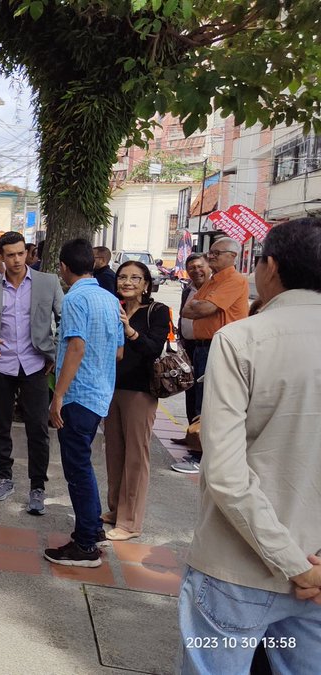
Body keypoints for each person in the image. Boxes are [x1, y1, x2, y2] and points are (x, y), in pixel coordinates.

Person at [177, 218, 321, 674]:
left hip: (238, 568)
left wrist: (293, 564)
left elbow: (225, 472)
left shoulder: (242, 339)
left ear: (270, 266)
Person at [44, 239, 125, 568]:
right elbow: (118, 350)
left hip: (78, 395)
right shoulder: (108, 298)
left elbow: (76, 347)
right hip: (100, 393)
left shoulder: (75, 298)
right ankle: (92, 528)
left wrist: (58, 395)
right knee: (82, 466)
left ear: (63, 266)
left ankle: (86, 543)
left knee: (77, 469)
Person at [0, 231, 63, 516]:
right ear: (0, 256)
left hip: (35, 365)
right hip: (2, 365)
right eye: (10, 255)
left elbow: (64, 320)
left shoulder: (47, 282)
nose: (16, 260)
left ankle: (37, 486)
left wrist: (53, 352)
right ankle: (5, 477)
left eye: (20, 253)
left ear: (27, 253)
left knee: (37, 428)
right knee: (0, 425)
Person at [102, 261, 169, 542]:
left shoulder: (157, 311)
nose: (127, 282)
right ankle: (116, 509)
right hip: (110, 387)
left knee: (135, 457)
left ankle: (131, 522)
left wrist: (130, 331)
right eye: (123, 277)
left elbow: (154, 348)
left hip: (140, 391)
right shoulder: (112, 306)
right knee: (114, 452)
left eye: (135, 278)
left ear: (146, 284)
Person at [175, 237, 250, 473]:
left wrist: (200, 306)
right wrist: (199, 306)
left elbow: (202, 309)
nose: (211, 257)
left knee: (210, 401)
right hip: (201, 347)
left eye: (217, 253)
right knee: (199, 397)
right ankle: (197, 447)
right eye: (211, 253)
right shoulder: (213, 282)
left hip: (219, 346)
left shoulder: (234, 280)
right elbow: (188, 309)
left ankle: (202, 456)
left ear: (233, 256)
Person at [172, 253, 210, 449]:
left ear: (208, 266)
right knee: (190, 390)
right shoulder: (188, 289)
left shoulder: (214, 290)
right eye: (191, 267)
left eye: (199, 266)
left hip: (206, 346)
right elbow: (182, 314)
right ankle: (190, 434)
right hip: (188, 346)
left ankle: (199, 446)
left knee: (203, 396)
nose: (196, 271)